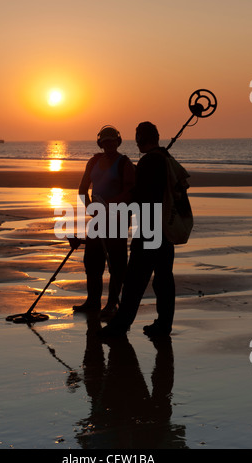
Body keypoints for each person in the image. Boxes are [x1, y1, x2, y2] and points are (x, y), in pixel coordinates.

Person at [99, 121, 176, 338]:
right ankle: (163, 325)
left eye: (137, 137)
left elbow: (139, 196)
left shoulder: (149, 161)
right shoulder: (165, 159)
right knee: (163, 279)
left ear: (140, 139)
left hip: (149, 228)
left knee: (134, 280)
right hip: (165, 228)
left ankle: (120, 325)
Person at [73, 125, 135, 317]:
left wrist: (109, 205)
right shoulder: (93, 162)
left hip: (118, 219)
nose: (109, 144)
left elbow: (130, 192)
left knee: (116, 264)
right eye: (106, 141)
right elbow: (82, 189)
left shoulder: (124, 163)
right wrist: (91, 207)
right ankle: (92, 302)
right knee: (92, 261)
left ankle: (111, 304)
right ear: (100, 143)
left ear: (118, 142)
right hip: (98, 218)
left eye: (113, 141)